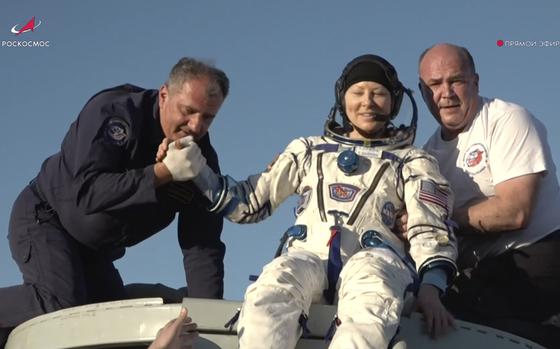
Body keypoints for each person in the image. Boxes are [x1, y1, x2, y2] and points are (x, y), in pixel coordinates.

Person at [160, 54, 458, 348]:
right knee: (271, 291)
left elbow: (430, 229)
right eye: (358, 92)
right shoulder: (307, 151)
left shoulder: (413, 161)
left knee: (371, 305)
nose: (367, 101)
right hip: (309, 256)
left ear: (394, 102)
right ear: (342, 99)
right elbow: (249, 203)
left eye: (378, 93)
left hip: (375, 261)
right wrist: (197, 169)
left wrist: (431, 289)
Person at [0, 57, 229, 347]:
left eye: (208, 117)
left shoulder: (202, 162)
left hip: (96, 251)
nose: (196, 125)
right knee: (60, 306)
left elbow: (202, 244)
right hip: (46, 218)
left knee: (112, 323)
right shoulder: (114, 113)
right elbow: (84, 194)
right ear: (164, 95)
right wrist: (160, 174)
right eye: (188, 111)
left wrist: (209, 324)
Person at [418, 43, 560, 347]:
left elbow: (515, 211)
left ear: (476, 82)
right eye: (434, 84)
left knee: (453, 324)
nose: (446, 93)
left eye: (455, 80)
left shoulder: (507, 119)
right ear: (422, 91)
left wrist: (437, 216)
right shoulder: (426, 156)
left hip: (536, 255)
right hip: (478, 270)